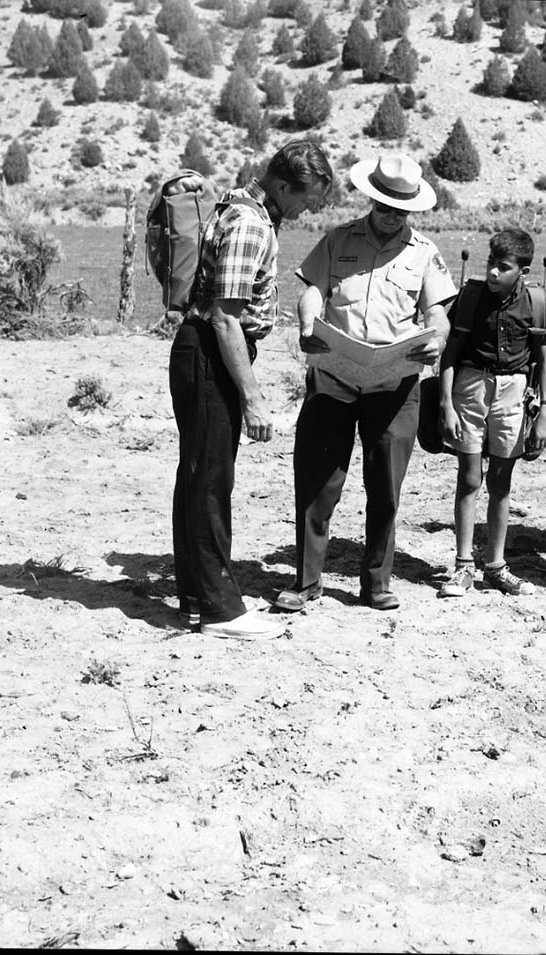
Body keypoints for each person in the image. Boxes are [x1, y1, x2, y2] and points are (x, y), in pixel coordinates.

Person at [276, 153, 457, 613]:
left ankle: (376, 583)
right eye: (383, 206)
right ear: (370, 199)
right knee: (317, 483)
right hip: (333, 377)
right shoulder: (337, 240)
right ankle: (306, 582)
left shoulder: (424, 254)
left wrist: (436, 341)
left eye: (400, 210)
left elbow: (438, 314)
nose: (391, 216)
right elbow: (312, 291)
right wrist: (306, 325)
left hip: (395, 385)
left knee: (385, 487)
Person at [170, 140, 332, 639]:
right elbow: (224, 318)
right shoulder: (250, 224)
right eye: (307, 199)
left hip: (203, 353)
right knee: (212, 482)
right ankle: (221, 611)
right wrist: (253, 397)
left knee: (199, 477)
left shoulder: (240, 204)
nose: (308, 210)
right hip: (212, 356)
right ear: (284, 185)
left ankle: (197, 600)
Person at [436, 228, 546, 598]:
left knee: (501, 482)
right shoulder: (471, 298)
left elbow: (545, 358)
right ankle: (462, 567)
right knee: (469, 477)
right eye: (491, 263)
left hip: (513, 390)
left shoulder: (536, 302)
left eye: (502, 267)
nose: (492, 273)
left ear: (522, 270)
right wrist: (446, 403)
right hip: (471, 386)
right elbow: (450, 354)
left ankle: (496, 565)